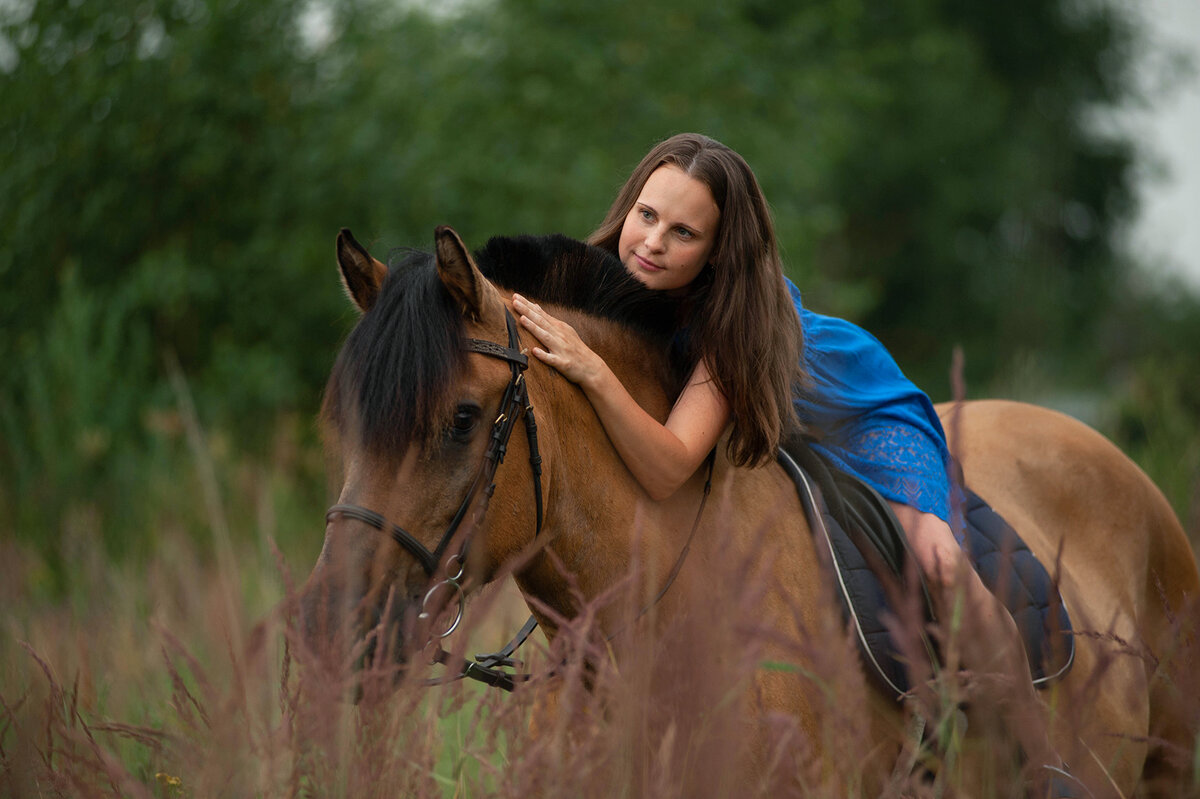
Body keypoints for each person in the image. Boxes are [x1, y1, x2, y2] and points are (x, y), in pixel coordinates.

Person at [511, 133, 1075, 791]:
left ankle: (1034, 759)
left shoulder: (730, 326)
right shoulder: (608, 277)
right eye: (647, 215)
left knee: (942, 561)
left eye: (684, 232)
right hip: (769, 414)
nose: (654, 242)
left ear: (718, 251)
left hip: (853, 413)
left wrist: (593, 371)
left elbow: (668, 466)